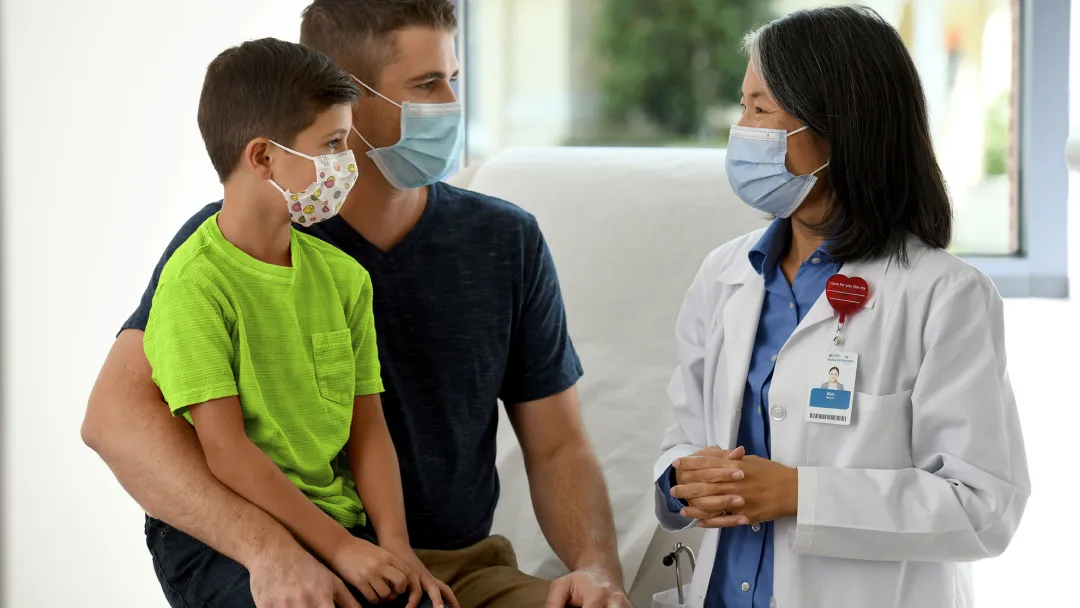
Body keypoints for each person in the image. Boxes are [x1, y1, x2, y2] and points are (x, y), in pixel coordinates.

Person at [81, 1, 630, 607]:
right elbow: (116, 421)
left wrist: (598, 572)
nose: (449, 105)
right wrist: (273, 551)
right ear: (343, 92)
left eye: (454, 80)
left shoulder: (505, 240)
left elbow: (558, 445)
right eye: (425, 85)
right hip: (294, 552)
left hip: (455, 568)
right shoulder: (235, 247)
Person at [653, 6, 1029, 608]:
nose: (742, 128)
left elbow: (984, 506)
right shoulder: (727, 275)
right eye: (742, 105)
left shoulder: (944, 296)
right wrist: (680, 479)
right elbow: (686, 432)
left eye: (760, 109)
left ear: (838, 126)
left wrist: (802, 493)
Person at [140, 37, 453, 608]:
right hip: (223, 538)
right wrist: (339, 549)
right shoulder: (194, 286)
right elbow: (226, 452)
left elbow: (368, 428)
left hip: (334, 523)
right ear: (263, 157)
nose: (347, 162)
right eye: (332, 144)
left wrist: (396, 548)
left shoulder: (343, 278)